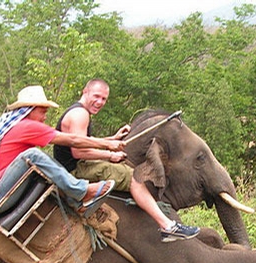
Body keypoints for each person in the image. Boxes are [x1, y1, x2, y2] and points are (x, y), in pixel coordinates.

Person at [0, 85, 125, 239]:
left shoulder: (17, 126)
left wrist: (110, 140)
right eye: (42, 112)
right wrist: (108, 146)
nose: (45, 117)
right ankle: (82, 191)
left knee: (44, 164)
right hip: (0, 198)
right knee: (33, 155)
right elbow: (73, 140)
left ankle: (74, 201)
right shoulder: (27, 126)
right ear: (29, 110)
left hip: (1, 195)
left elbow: (78, 139)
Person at [53, 78, 199, 243]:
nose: (100, 102)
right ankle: (167, 226)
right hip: (76, 169)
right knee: (134, 178)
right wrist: (110, 155)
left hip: (76, 165)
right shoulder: (81, 114)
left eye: (103, 99)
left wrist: (112, 139)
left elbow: (84, 140)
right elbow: (79, 151)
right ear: (85, 92)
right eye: (96, 96)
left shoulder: (77, 111)